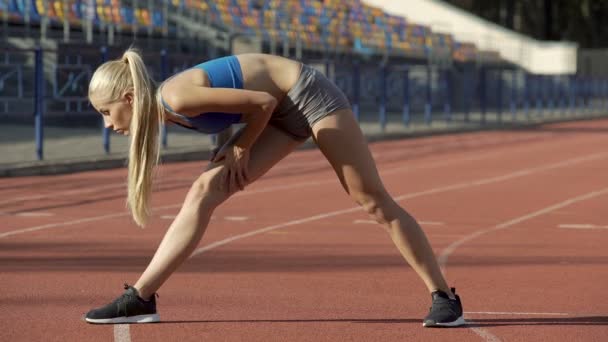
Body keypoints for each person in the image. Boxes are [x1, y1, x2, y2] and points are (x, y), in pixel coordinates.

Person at [84, 48, 465, 327]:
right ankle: (141, 297)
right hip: (276, 111)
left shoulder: (176, 97)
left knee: (371, 200)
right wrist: (230, 145)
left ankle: (444, 297)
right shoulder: (168, 107)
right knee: (203, 192)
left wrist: (239, 146)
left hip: (307, 95)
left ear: (130, 99)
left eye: (105, 112)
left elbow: (262, 100)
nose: (106, 124)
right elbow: (238, 105)